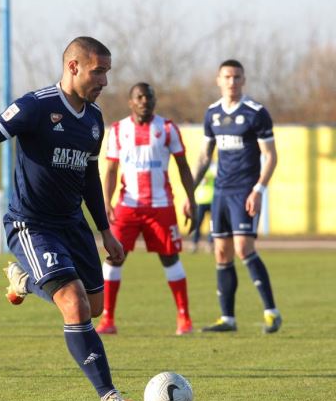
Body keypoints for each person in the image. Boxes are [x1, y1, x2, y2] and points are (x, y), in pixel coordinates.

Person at [0, 37, 138, 401]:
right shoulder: (35, 106)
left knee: (95, 307)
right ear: (73, 66)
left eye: (107, 72)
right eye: (98, 71)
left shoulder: (93, 119)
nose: (104, 81)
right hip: (31, 224)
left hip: (73, 225)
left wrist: (105, 231)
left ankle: (23, 281)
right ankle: (110, 398)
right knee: (74, 304)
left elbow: (89, 176)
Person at [94, 82, 196, 336]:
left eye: (148, 97)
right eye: (139, 97)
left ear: (154, 101)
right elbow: (111, 170)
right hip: (128, 206)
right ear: (131, 102)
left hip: (160, 205)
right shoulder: (118, 130)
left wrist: (191, 199)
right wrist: (107, 202)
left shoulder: (167, 128)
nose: (144, 101)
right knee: (114, 257)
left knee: (170, 258)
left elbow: (183, 166)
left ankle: (184, 319)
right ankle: (107, 319)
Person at [190, 59, 281, 334]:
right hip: (221, 192)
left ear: (243, 80)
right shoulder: (212, 114)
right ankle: (227, 319)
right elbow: (204, 156)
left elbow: (270, 156)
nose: (232, 82)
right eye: (227, 77)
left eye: (237, 77)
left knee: (243, 248)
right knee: (221, 252)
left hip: (245, 191)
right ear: (218, 80)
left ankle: (271, 312)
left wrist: (259, 189)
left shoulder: (256, 113)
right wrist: (189, 192)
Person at [190, 163, 216, 253]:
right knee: (198, 223)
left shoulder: (214, 166)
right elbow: (193, 178)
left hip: (212, 199)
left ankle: (210, 243)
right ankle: (194, 243)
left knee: (212, 224)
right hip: (200, 199)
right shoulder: (197, 167)